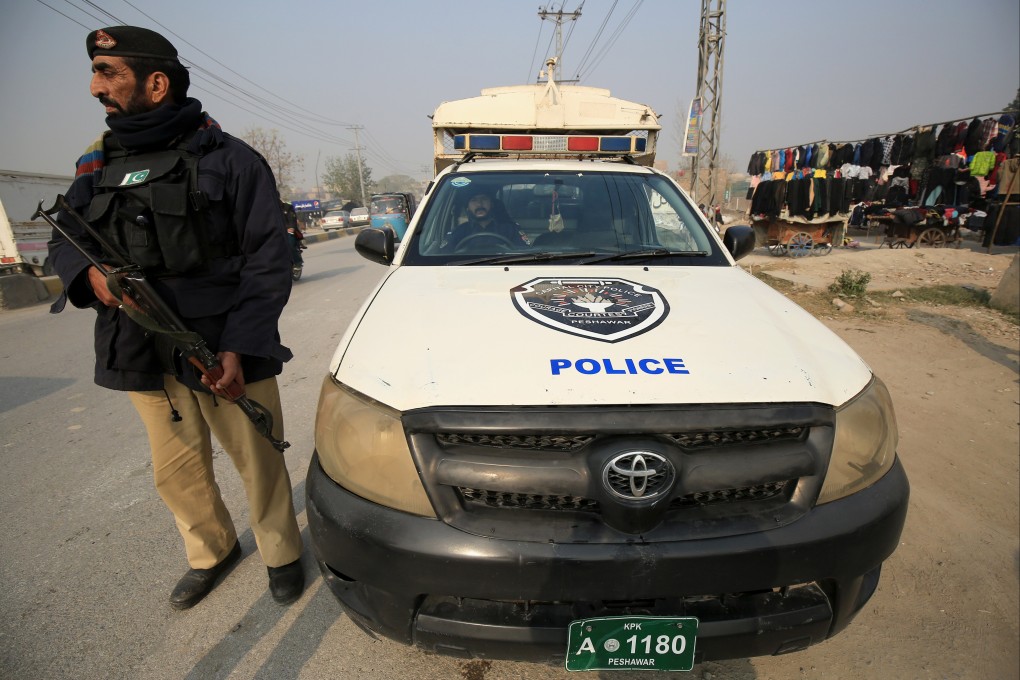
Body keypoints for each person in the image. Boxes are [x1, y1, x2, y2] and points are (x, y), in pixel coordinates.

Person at [47, 26, 304, 610]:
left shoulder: (232, 158)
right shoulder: (96, 161)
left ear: (156, 83)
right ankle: (211, 552)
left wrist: (238, 346)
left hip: (224, 346)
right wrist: (88, 279)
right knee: (177, 469)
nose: (94, 87)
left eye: (109, 74)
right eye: (94, 73)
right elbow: (63, 236)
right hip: (140, 343)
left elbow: (269, 261)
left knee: (258, 460)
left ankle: (281, 553)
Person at [444, 188, 531, 250]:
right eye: (474, 200)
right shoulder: (459, 232)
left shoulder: (510, 230)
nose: (479, 204)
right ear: (468, 208)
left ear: (492, 204)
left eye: (484, 199)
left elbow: (524, 253)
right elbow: (445, 257)